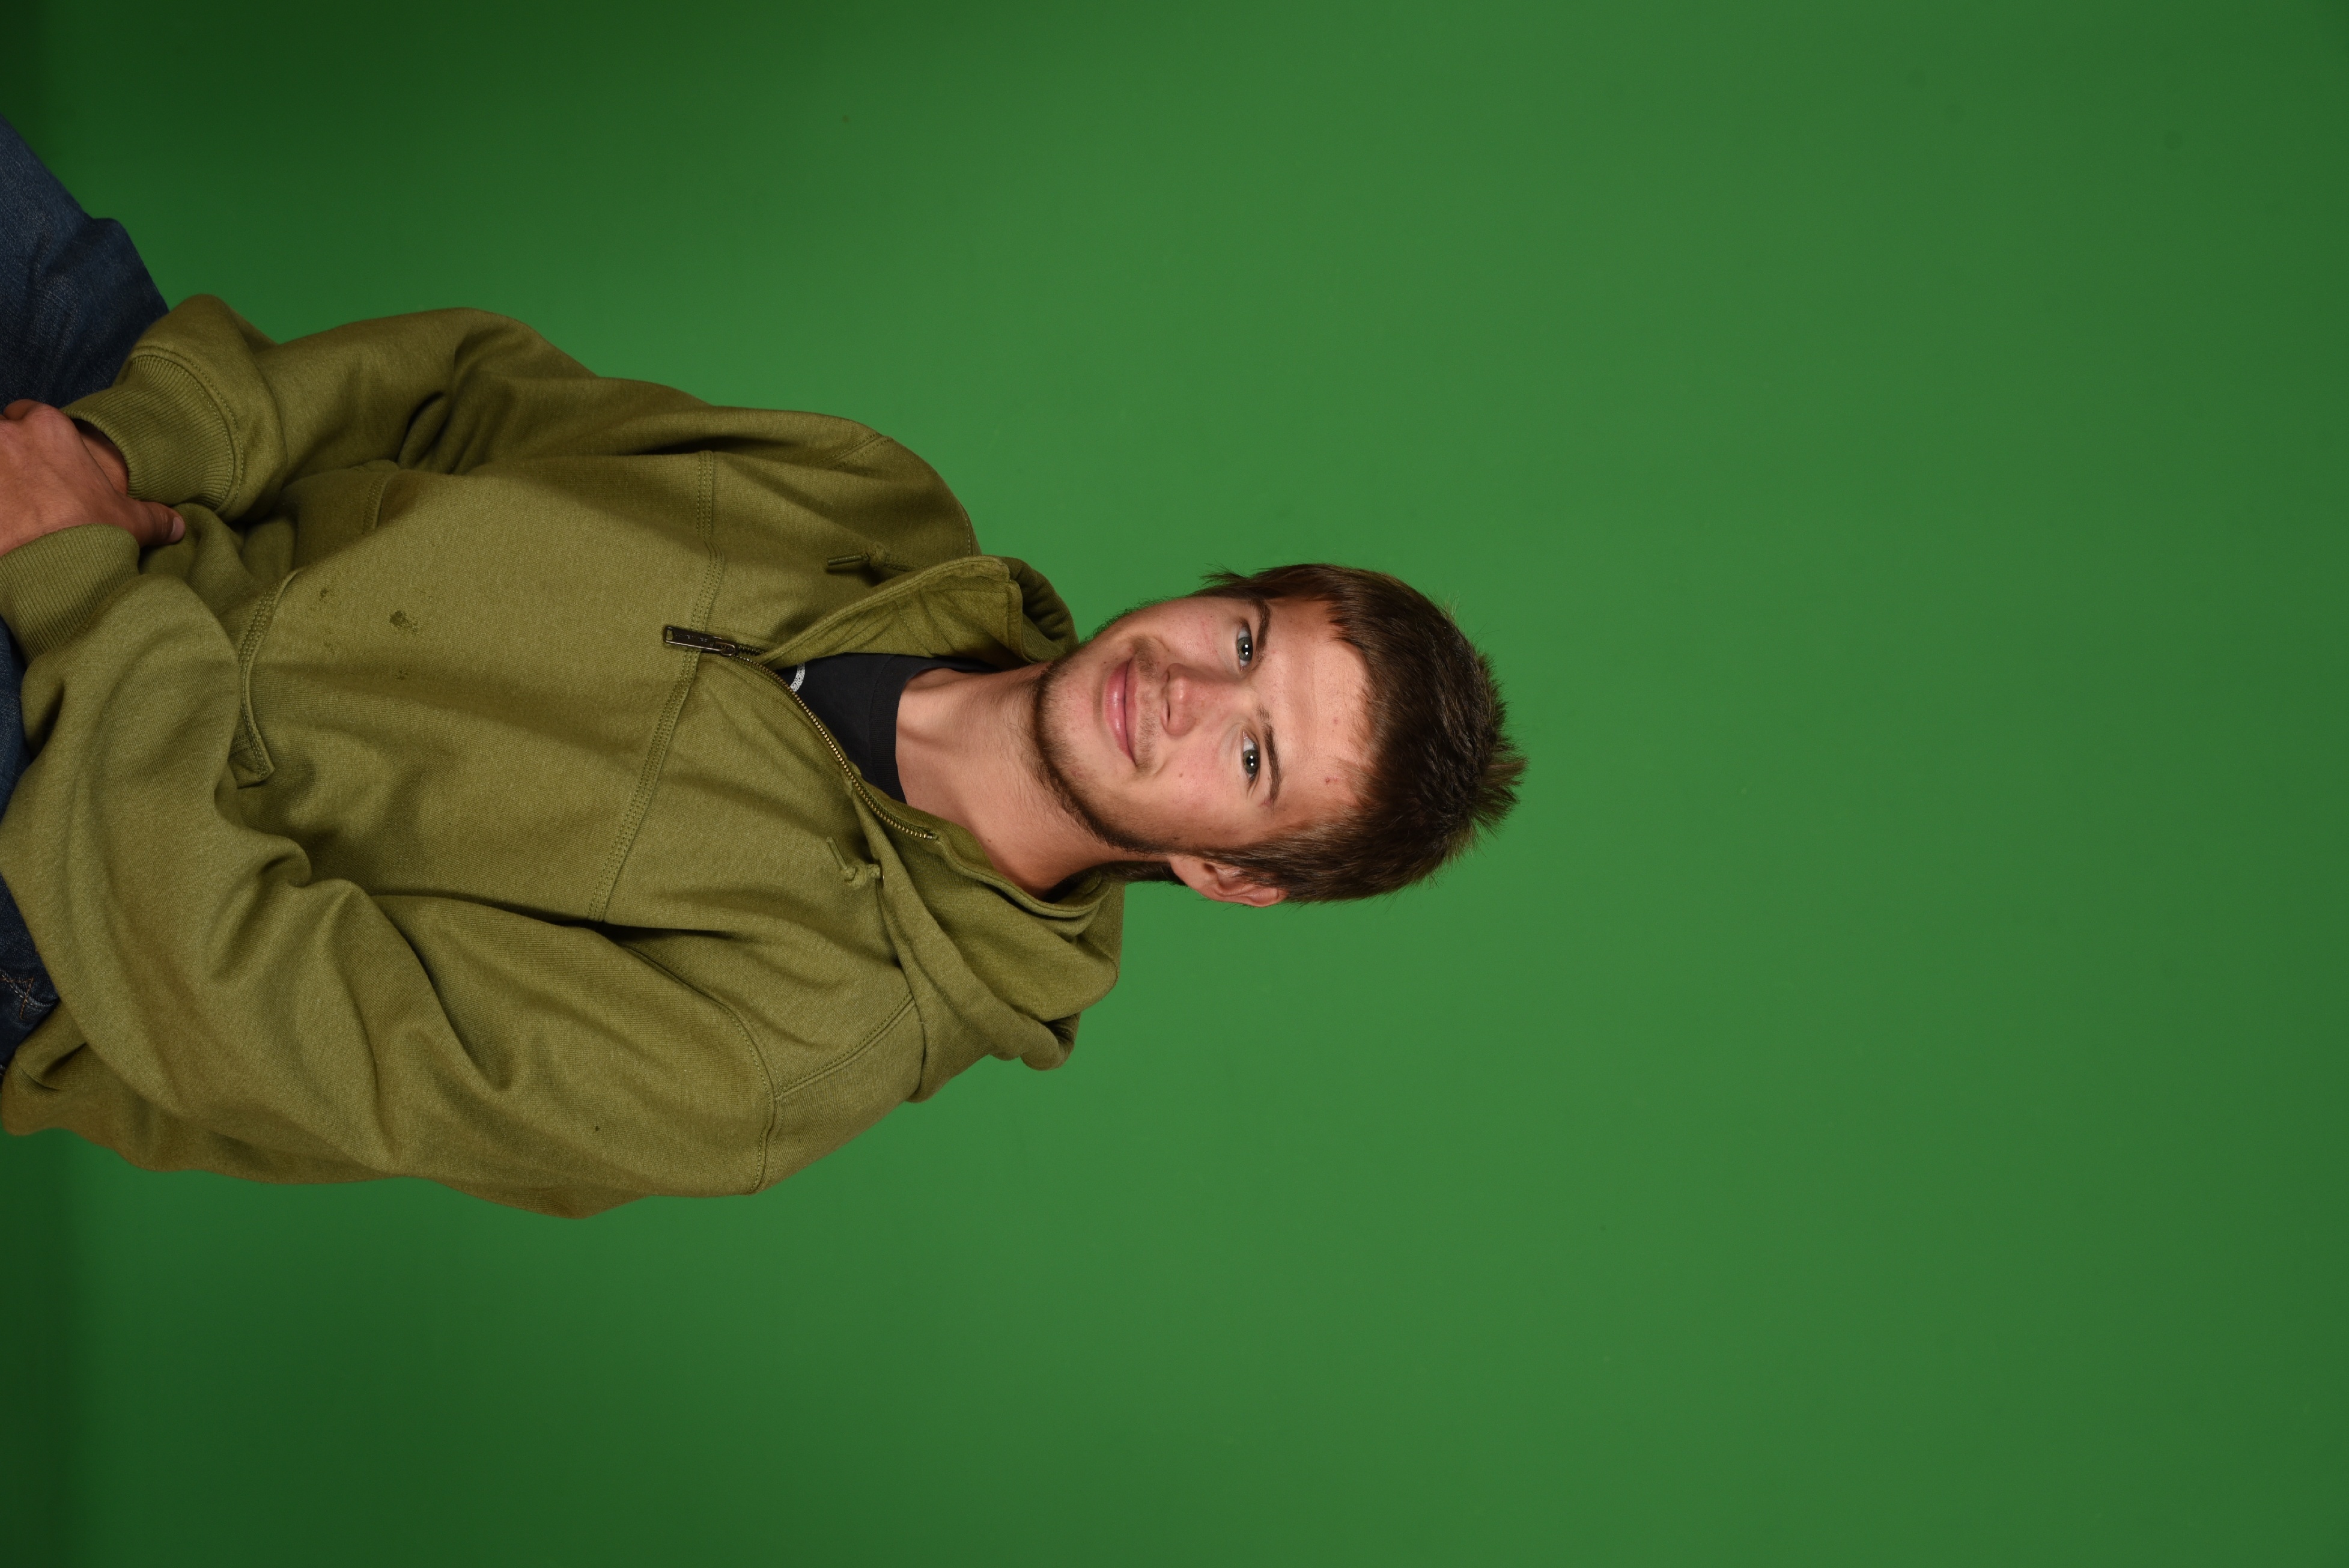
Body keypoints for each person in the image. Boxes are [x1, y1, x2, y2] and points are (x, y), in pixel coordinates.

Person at [0, 119, 1522, 1216]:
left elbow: (251, 993)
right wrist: (128, 454)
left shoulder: (783, 1054)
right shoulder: (884, 513)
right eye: (1245, 641)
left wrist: (75, 582)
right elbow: (465, 395)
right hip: (170, 497)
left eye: (1250, 758)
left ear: (1229, 876)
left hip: (80, 862)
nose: (1189, 694)